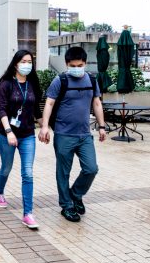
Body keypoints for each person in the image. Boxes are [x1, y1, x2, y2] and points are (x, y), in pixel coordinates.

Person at [42, 46, 107, 222]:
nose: (77, 68)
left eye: (80, 65)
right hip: (64, 134)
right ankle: (67, 206)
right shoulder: (60, 80)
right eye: (73, 65)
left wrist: (102, 126)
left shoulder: (92, 80)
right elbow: (49, 103)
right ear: (67, 64)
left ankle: (75, 194)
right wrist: (45, 126)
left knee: (91, 168)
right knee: (63, 172)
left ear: (85, 63)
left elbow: (97, 104)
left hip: (84, 135)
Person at [0, 49, 47, 229]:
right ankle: (0, 192)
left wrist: (44, 127)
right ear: (16, 63)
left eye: (30, 62)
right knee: (6, 168)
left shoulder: (32, 83)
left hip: (27, 135)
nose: (27, 65)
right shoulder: (6, 83)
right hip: (6, 134)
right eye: (24, 61)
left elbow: (37, 110)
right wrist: (8, 131)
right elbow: (1, 109)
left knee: (28, 173)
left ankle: (28, 214)